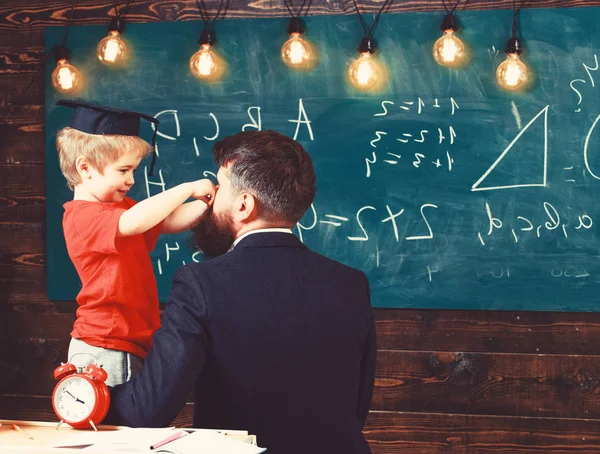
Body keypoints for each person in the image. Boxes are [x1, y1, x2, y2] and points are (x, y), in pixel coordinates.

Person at [109, 130, 377, 453]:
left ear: (244, 205)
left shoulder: (198, 284)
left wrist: (87, 398)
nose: (210, 197)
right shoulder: (352, 284)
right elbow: (356, 407)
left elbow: (149, 407)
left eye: (219, 187)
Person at [55, 100, 216, 387]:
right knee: (116, 427)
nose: (131, 180)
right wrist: (187, 188)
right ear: (85, 167)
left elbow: (170, 219)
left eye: (134, 171)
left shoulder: (122, 208)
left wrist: (217, 204)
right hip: (104, 344)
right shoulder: (81, 216)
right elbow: (136, 222)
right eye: (123, 170)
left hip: (129, 341)